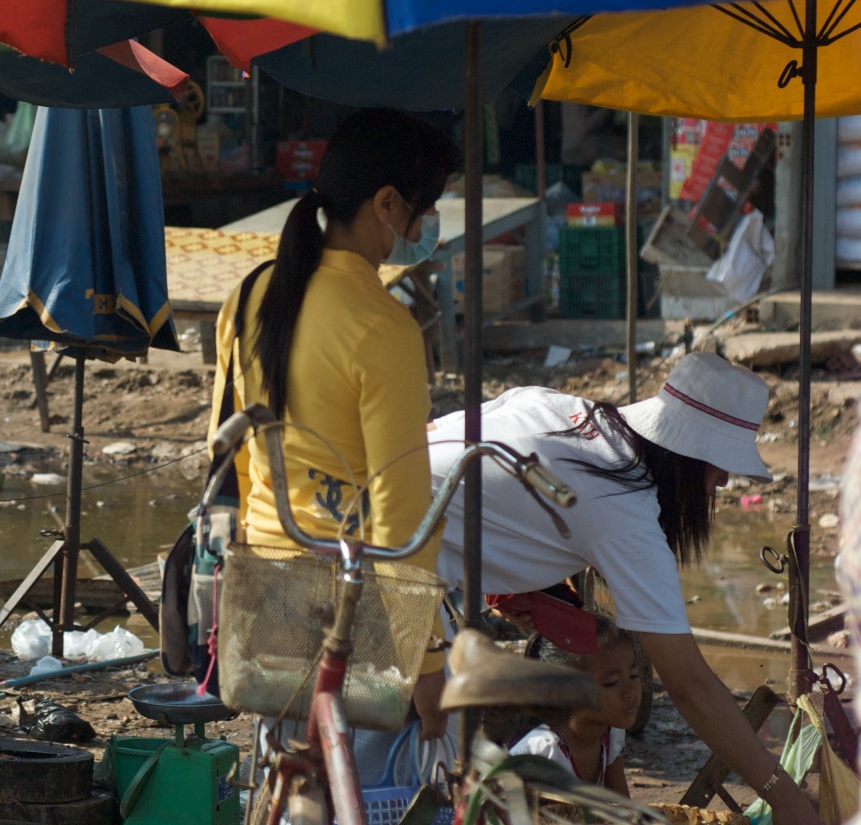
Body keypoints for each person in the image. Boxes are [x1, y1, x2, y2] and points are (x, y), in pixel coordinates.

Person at [428, 353, 819, 825]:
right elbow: (691, 685)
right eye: (719, 468)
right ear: (687, 460)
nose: (724, 483)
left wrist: (532, 583)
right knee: (421, 762)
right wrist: (785, 797)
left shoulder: (572, 414)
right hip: (382, 562)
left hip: (360, 515)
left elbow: (499, 497)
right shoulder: (623, 512)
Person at [209, 108, 460, 739]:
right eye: (422, 208)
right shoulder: (385, 328)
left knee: (287, 770)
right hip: (352, 609)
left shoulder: (251, 293)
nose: (424, 225)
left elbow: (235, 457)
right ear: (385, 204)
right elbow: (401, 517)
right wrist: (426, 659)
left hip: (259, 589)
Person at [509, 615, 638, 795]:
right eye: (611, 682)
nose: (630, 691)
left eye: (634, 675)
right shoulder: (544, 753)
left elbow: (622, 807)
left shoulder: (610, 734)